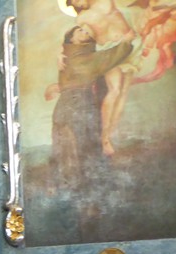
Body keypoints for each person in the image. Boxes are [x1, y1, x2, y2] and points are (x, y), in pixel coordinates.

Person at [47, 25, 134, 190]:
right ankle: (78, 185)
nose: (84, 31)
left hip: (74, 103)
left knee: (77, 143)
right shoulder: (77, 57)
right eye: (79, 30)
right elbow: (104, 58)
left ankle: (75, 185)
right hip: (76, 104)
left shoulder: (72, 54)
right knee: (77, 143)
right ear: (71, 38)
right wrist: (126, 42)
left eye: (86, 31)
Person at [67, 0, 140, 156]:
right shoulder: (82, 18)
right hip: (110, 50)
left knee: (123, 92)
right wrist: (61, 53)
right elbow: (79, 40)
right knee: (115, 90)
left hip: (130, 46)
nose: (79, 3)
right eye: (75, 3)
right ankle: (104, 138)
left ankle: (109, 135)